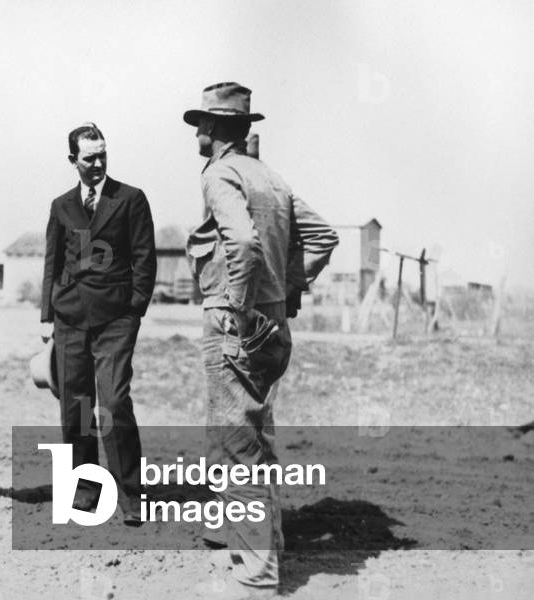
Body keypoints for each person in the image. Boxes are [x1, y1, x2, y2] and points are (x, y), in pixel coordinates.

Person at [183, 82, 338, 598]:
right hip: (271, 321)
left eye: (203, 122)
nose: (198, 131)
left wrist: (242, 306)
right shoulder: (270, 177)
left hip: (238, 318)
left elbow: (243, 240)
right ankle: (240, 534)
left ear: (216, 130)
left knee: (240, 443)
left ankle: (258, 571)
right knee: (251, 433)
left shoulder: (220, 173)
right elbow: (322, 237)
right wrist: (284, 289)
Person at [40, 123, 156, 526]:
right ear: (73, 160)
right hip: (70, 318)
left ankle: (132, 496)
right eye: (88, 157)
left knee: (111, 402)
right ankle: (86, 490)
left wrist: (134, 309)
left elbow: (145, 258)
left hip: (115, 320)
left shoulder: (130, 199)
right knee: (77, 408)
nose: (97, 163)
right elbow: (52, 263)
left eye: (102, 154)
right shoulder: (61, 205)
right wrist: (46, 317)